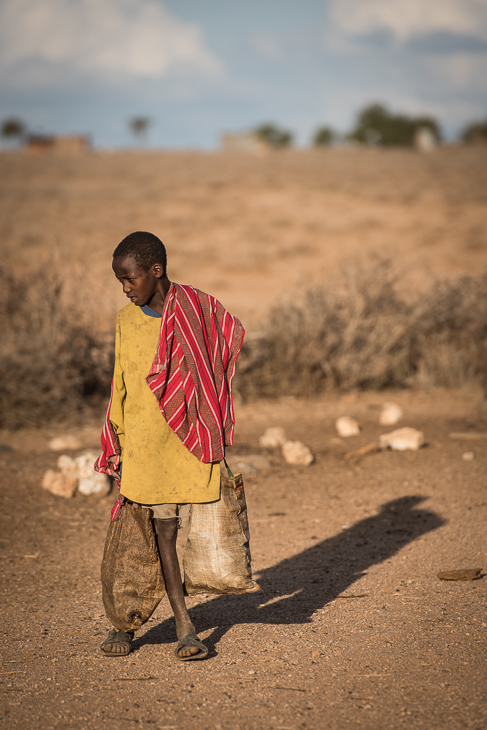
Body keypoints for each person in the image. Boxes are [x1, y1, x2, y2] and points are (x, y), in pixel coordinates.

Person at [95, 231, 244, 660]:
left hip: (187, 439)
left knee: (175, 530)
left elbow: (223, 346)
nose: (125, 288)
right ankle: (140, 622)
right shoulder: (126, 321)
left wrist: (212, 421)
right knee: (139, 537)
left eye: (130, 279)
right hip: (142, 443)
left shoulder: (199, 310)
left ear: (155, 271)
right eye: (120, 281)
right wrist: (116, 438)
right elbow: (119, 383)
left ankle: (180, 622)